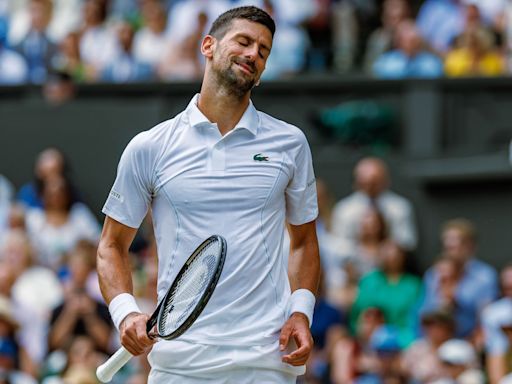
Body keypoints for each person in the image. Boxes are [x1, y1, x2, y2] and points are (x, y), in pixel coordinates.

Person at [97, 5, 320, 384]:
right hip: (178, 367)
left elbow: (303, 242)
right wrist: (126, 312)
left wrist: (300, 311)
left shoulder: (290, 144)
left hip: (264, 364)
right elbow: (110, 247)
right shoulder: (149, 147)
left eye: (263, 51)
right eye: (244, 42)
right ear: (208, 46)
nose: (253, 54)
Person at [331, 157, 417, 252]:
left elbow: (407, 241)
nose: (370, 187)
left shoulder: (400, 207)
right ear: (356, 183)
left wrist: (386, 250)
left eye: (375, 182)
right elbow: (338, 245)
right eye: (364, 183)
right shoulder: (344, 209)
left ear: (386, 181)